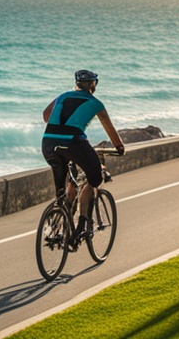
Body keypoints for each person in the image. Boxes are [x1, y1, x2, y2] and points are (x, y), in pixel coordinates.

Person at [42, 69, 125, 245]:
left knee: (62, 191)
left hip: (48, 143)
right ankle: (81, 222)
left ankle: (59, 223)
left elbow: (45, 115)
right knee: (95, 177)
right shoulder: (96, 103)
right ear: (93, 86)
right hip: (73, 143)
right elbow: (108, 126)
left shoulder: (63, 96)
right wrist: (119, 147)